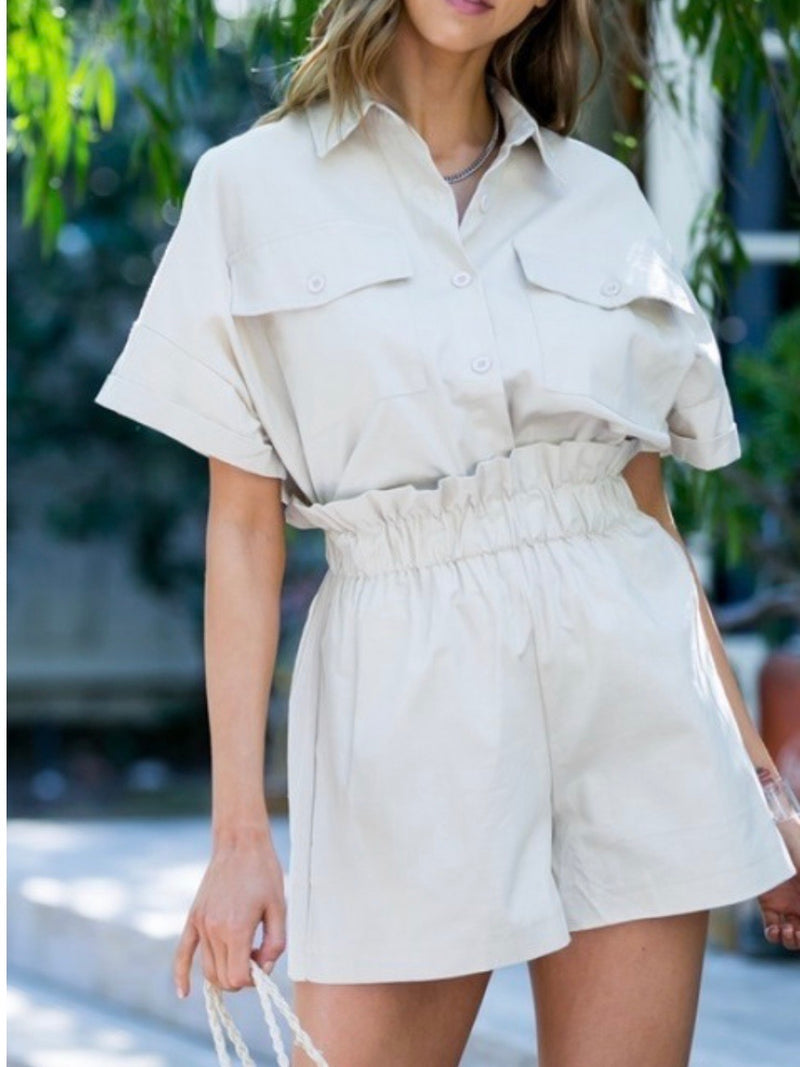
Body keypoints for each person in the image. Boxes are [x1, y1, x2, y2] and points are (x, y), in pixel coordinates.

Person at [94, 1, 800, 1064]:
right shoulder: (249, 190)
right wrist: (239, 835)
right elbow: (243, 531)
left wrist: (757, 784)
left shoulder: (599, 196)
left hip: (630, 690)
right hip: (405, 688)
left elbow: (640, 513)